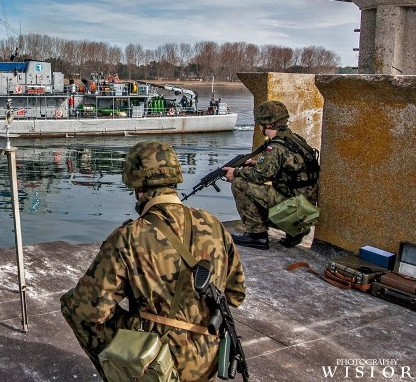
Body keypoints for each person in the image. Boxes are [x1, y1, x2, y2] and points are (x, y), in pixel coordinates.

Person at [60, 141, 245, 381]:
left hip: (158, 360)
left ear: (137, 187)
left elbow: (89, 310)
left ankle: (126, 372)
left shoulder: (129, 236)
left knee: (73, 305)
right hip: (207, 358)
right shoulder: (213, 224)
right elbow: (235, 294)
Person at [225, 100, 320, 249]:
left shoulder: (275, 147)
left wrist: (236, 172)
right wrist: (257, 164)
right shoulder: (295, 139)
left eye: (260, 124)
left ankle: (257, 236)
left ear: (267, 125)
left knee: (239, 183)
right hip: (306, 209)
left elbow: (259, 177)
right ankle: (293, 235)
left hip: (294, 211)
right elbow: (293, 169)